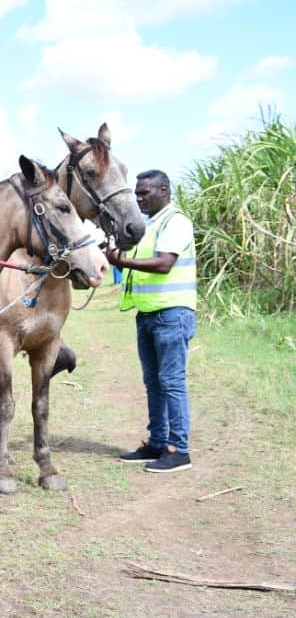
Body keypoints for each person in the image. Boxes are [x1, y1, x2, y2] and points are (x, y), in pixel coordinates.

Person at [107, 169, 196, 473]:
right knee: (154, 383)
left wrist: (122, 262)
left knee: (171, 383)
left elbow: (163, 263)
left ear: (164, 191)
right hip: (148, 314)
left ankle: (179, 449)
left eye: (145, 193)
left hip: (171, 315)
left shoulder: (176, 222)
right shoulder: (149, 225)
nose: (139, 198)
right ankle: (158, 442)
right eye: (137, 193)